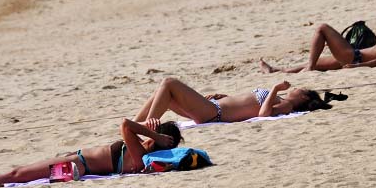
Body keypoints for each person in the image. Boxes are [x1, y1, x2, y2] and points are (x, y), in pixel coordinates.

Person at [0, 119, 181, 188]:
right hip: (76, 164)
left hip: (78, 165)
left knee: (16, 174)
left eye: (155, 134)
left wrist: (156, 136)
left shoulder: (141, 154)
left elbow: (126, 124)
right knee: (19, 174)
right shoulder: (142, 154)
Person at [133, 77, 332, 126]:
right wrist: (224, 97)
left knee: (169, 83)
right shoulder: (280, 100)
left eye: (300, 90)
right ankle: (137, 125)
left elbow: (263, 114)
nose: (296, 89)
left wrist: (275, 89)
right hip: (214, 108)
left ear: (304, 97)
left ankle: (149, 127)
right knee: (164, 92)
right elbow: (245, 104)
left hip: (214, 113)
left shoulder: (287, 105)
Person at [259, 24, 376, 73]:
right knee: (315, 64)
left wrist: (357, 68)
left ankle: (307, 68)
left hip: (353, 57)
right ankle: (275, 70)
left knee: (322, 28)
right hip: (353, 57)